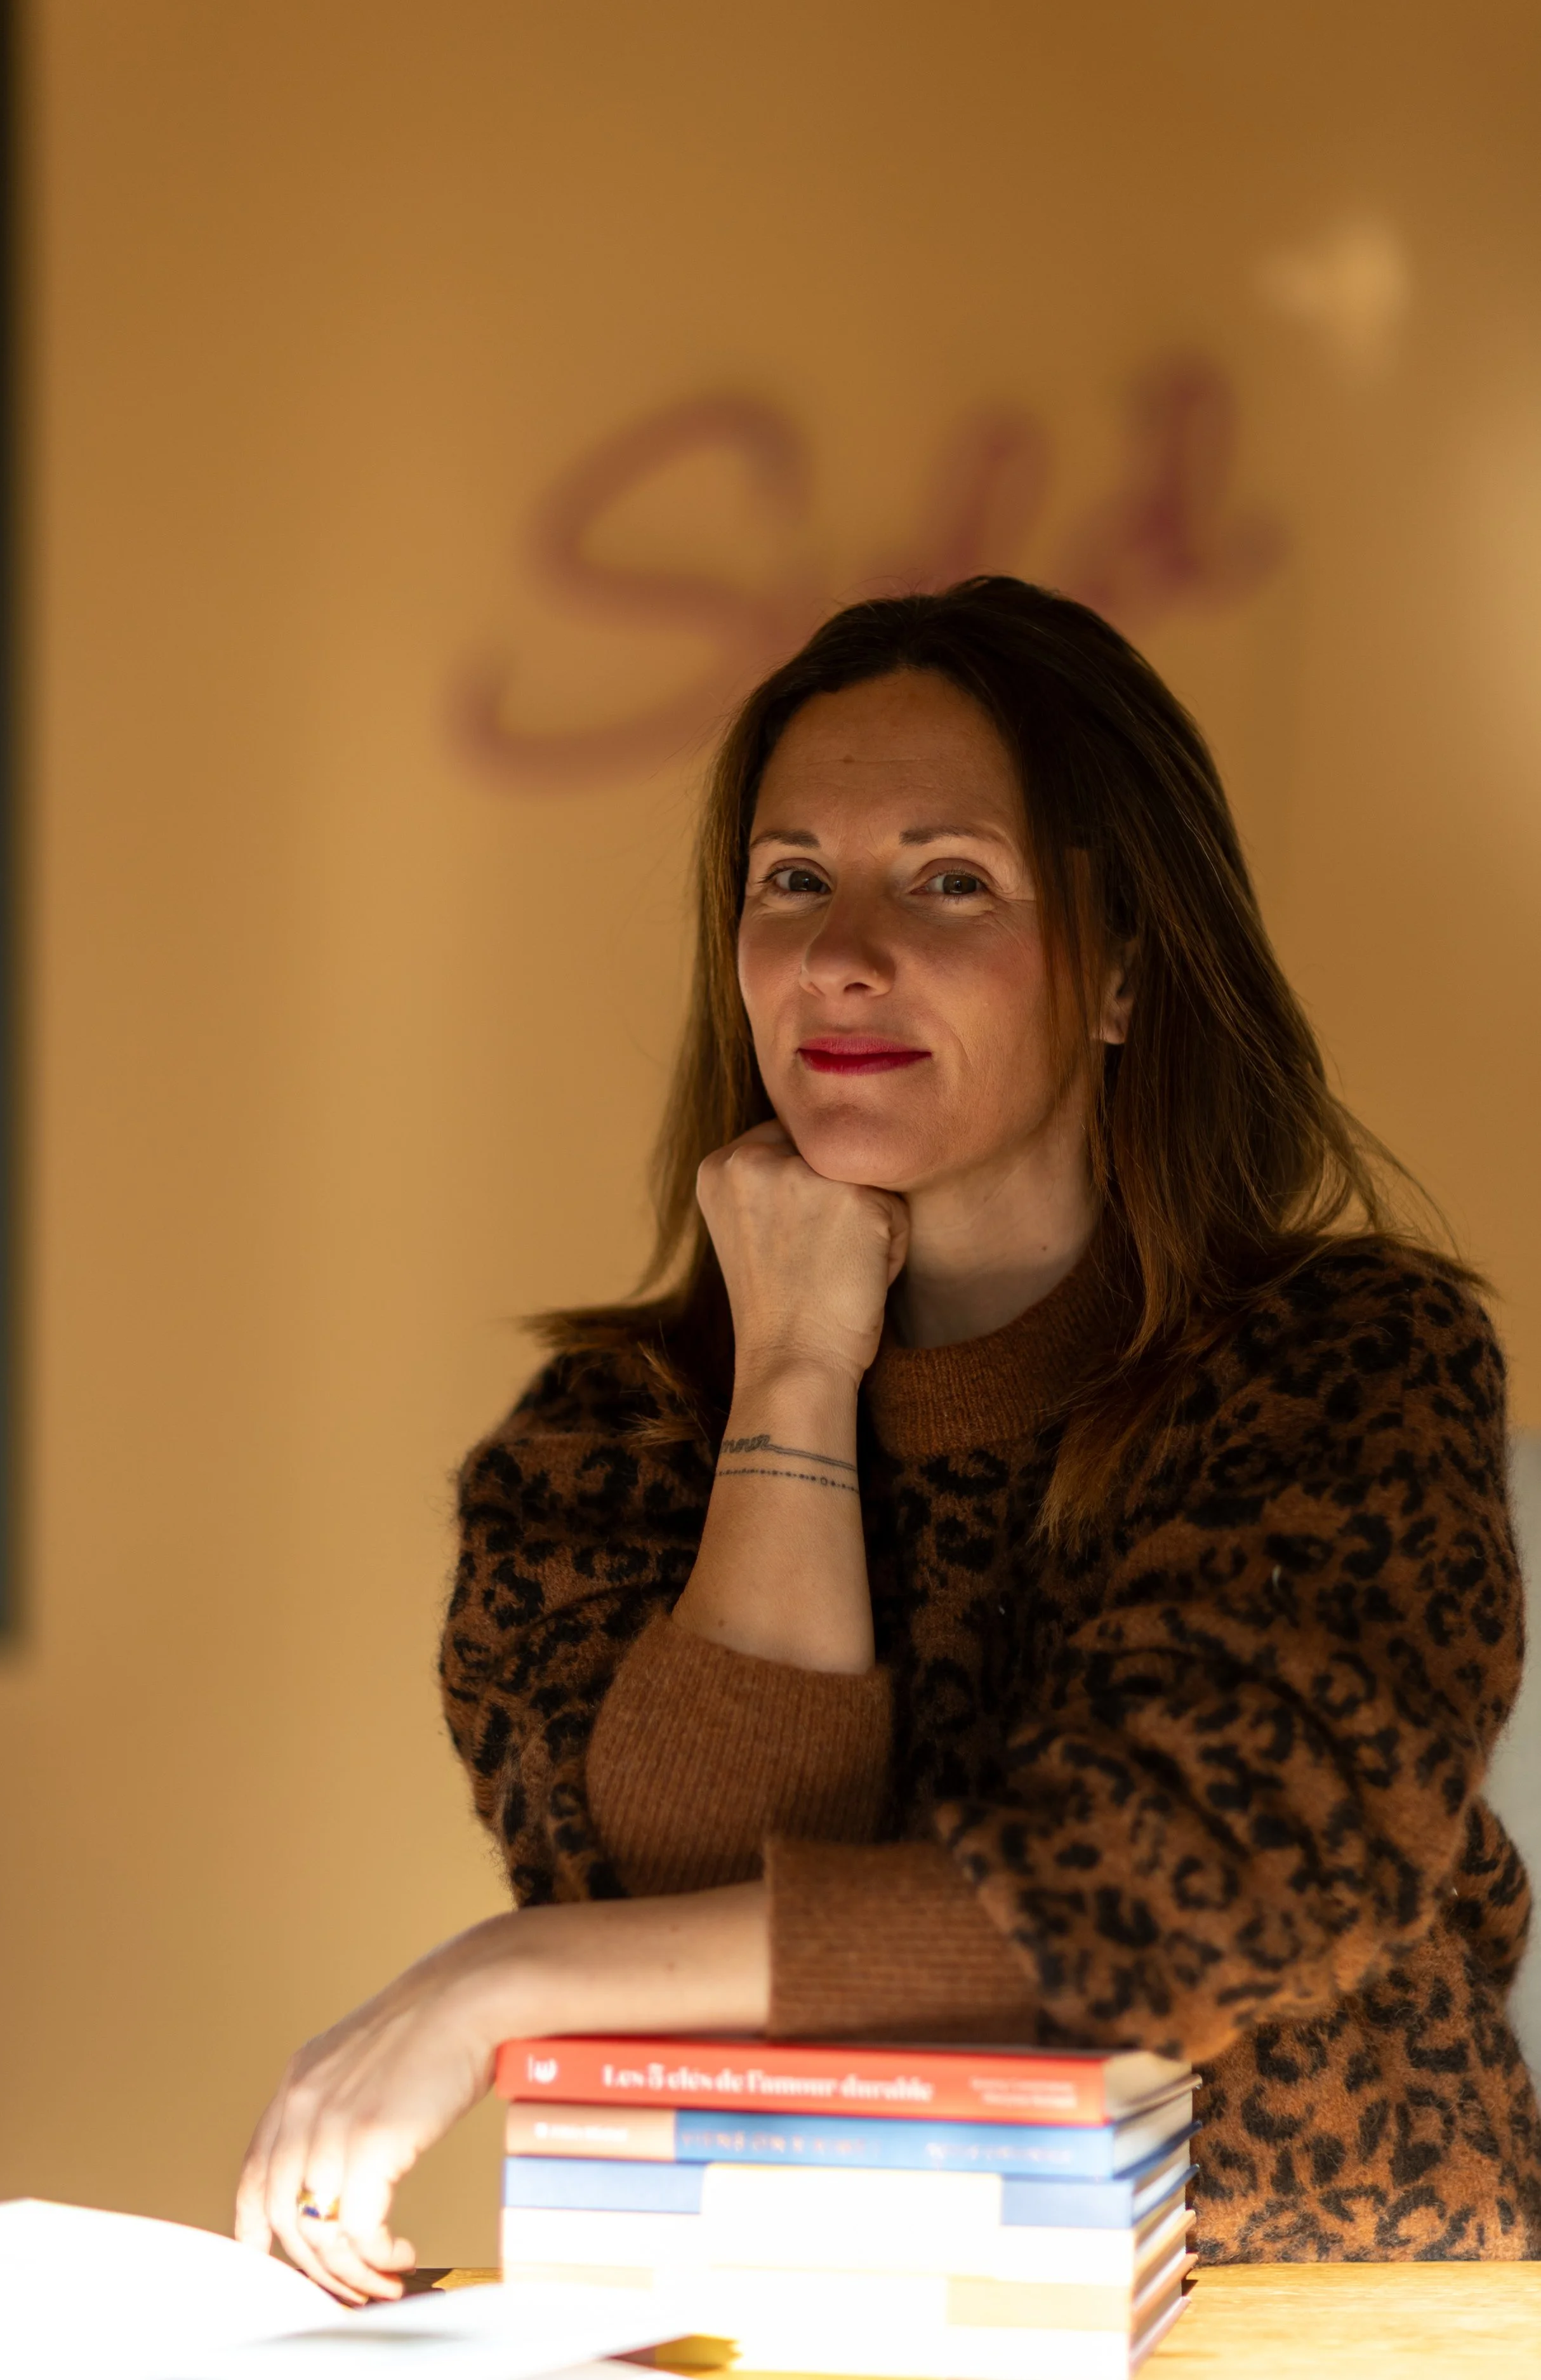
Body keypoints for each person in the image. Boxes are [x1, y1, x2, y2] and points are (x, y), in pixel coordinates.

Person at [236, 578, 1540, 2302]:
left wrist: (501, 1974)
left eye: (947, 880)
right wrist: (790, 1367)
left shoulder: (1340, 1374)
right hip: (814, 2325)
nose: (841, 950)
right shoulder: (598, 1454)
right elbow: (692, 1918)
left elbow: (1186, 1887)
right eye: (792, 881)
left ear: (1126, 969)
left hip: (1338, 2319)